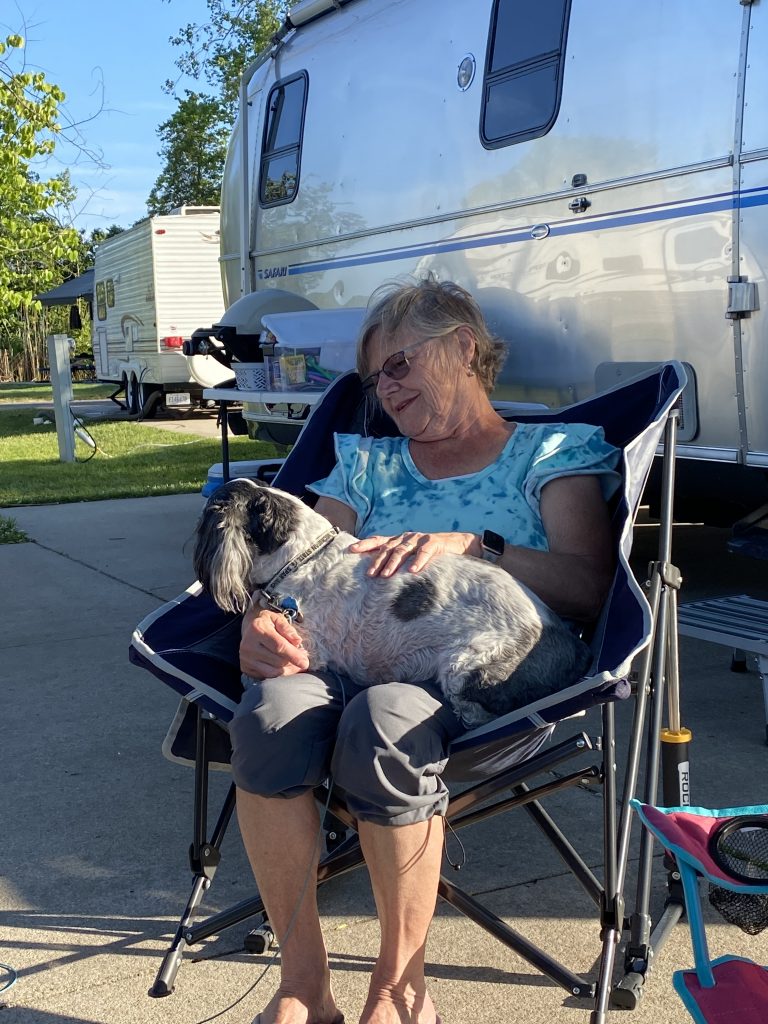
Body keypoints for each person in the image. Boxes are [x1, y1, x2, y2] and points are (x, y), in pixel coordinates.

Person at [231, 278, 621, 1024]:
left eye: (399, 364)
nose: (386, 389)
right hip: (340, 656)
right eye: (375, 378)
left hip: (481, 676)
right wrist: (262, 621)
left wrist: (476, 546)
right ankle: (304, 985)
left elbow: (590, 589)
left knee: (382, 721)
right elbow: (293, 567)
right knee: (269, 715)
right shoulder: (366, 466)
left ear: (463, 348)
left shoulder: (549, 453)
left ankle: (400, 990)